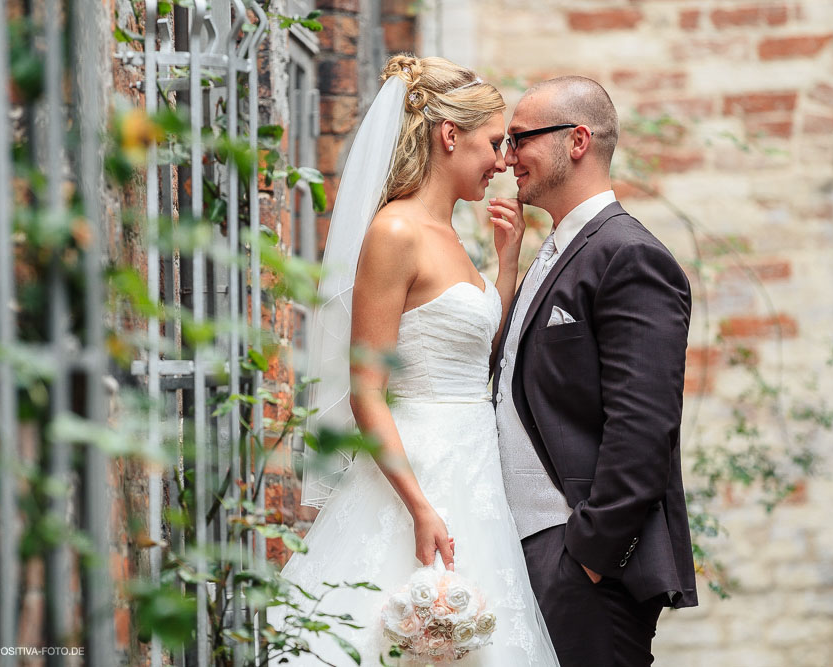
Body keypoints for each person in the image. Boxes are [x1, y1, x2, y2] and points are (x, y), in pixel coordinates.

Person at [273, 55, 559, 665]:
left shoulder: (452, 233)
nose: (504, 161)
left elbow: (473, 348)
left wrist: (506, 264)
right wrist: (420, 506)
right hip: (418, 469)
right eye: (494, 143)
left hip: (476, 462)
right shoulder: (394, 232)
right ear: (448, 136)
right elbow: (367, 391)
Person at [491, 75, 698, 667]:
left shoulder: (629, 256)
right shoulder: (555, 250)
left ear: (576, 140)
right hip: (525, 550)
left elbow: (644, 426)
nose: (507, 158)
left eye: (520, 139)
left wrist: (589, 556)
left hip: (583, 567)